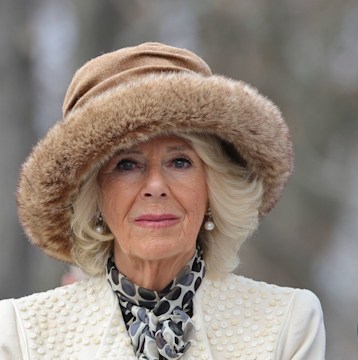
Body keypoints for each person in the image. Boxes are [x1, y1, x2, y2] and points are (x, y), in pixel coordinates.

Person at [0, 42, 325, 359]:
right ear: (94, 197)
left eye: (180, 162)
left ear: (213, 186)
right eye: (127, 165)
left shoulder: (286, 322)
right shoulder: (22, 334)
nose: (155, 186)